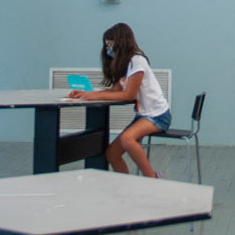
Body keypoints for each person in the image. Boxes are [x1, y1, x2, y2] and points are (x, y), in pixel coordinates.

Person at [72, 22, 169, 178]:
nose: (109, 50)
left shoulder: (137, 61)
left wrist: (96, 96)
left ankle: (152, 179)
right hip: (143, 116)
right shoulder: (127, 64)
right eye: (107, 46)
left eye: (111, 45)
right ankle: (127, 184)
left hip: (157, 115)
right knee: (112, 153)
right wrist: (86, 94)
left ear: (120, 43)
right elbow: (114, 91)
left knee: (127, 139)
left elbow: (128, 95)